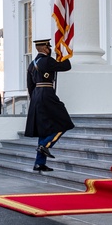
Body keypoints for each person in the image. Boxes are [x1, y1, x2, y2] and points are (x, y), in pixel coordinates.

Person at [23, 37, 74, 172]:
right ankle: (46, 144)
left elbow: (30, 86)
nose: (50, 49)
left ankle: (39, 163)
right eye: (49, 48)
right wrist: (61, 54)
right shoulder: (48, 61)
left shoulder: (31, 64)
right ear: (46, 48)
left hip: (36, 96)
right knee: (65, 123)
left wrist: (35, 98)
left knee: (43, 129)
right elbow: (66, 66)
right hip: (47, 94)